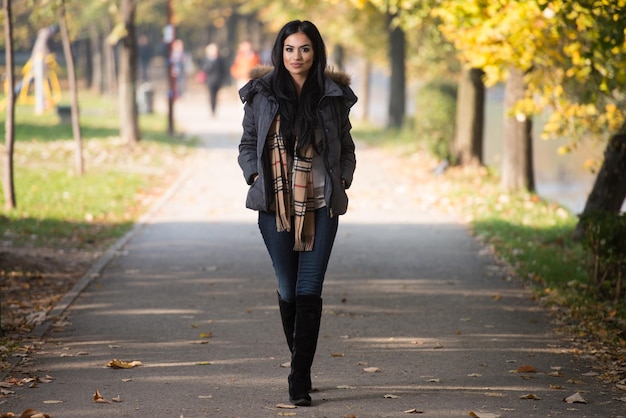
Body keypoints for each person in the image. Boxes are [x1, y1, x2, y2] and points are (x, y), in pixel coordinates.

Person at [237, 20, 357, 406]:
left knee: (309, 290)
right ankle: (299, 363)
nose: (297, 56)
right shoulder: (262, 94)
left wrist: (344, 178)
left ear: (315, 52)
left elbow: (348, 146)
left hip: (322, 205)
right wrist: (254, 173)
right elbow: (248, 143)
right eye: (290, 49)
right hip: (275, 207)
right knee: (288, 289)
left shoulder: (332, 96)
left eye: (304, 49)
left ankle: (299, 379)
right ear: (280, 51)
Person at [201, 43, 227, 116]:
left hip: (218, 80)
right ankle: (212, 110)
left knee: (216, 95)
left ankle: (215, 108)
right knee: (211, 95)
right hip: (210, 81)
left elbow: (223, 70)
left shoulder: (220, 60)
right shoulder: (207, 60)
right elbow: (204, 69)